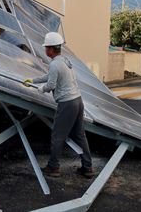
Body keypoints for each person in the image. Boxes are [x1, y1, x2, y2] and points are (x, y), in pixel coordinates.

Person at [23, 32, 94, 178]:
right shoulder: (64, 61)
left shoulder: (55, 64)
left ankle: (53, 167)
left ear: (50, 49)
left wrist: (39, 89)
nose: (45, 50)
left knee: (57, 136)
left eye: (46, 47)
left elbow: (50, 85)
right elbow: (50, 77)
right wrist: (33, 81)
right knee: (80, 135)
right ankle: (87, 167)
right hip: (77, 101)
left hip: (67, 103)